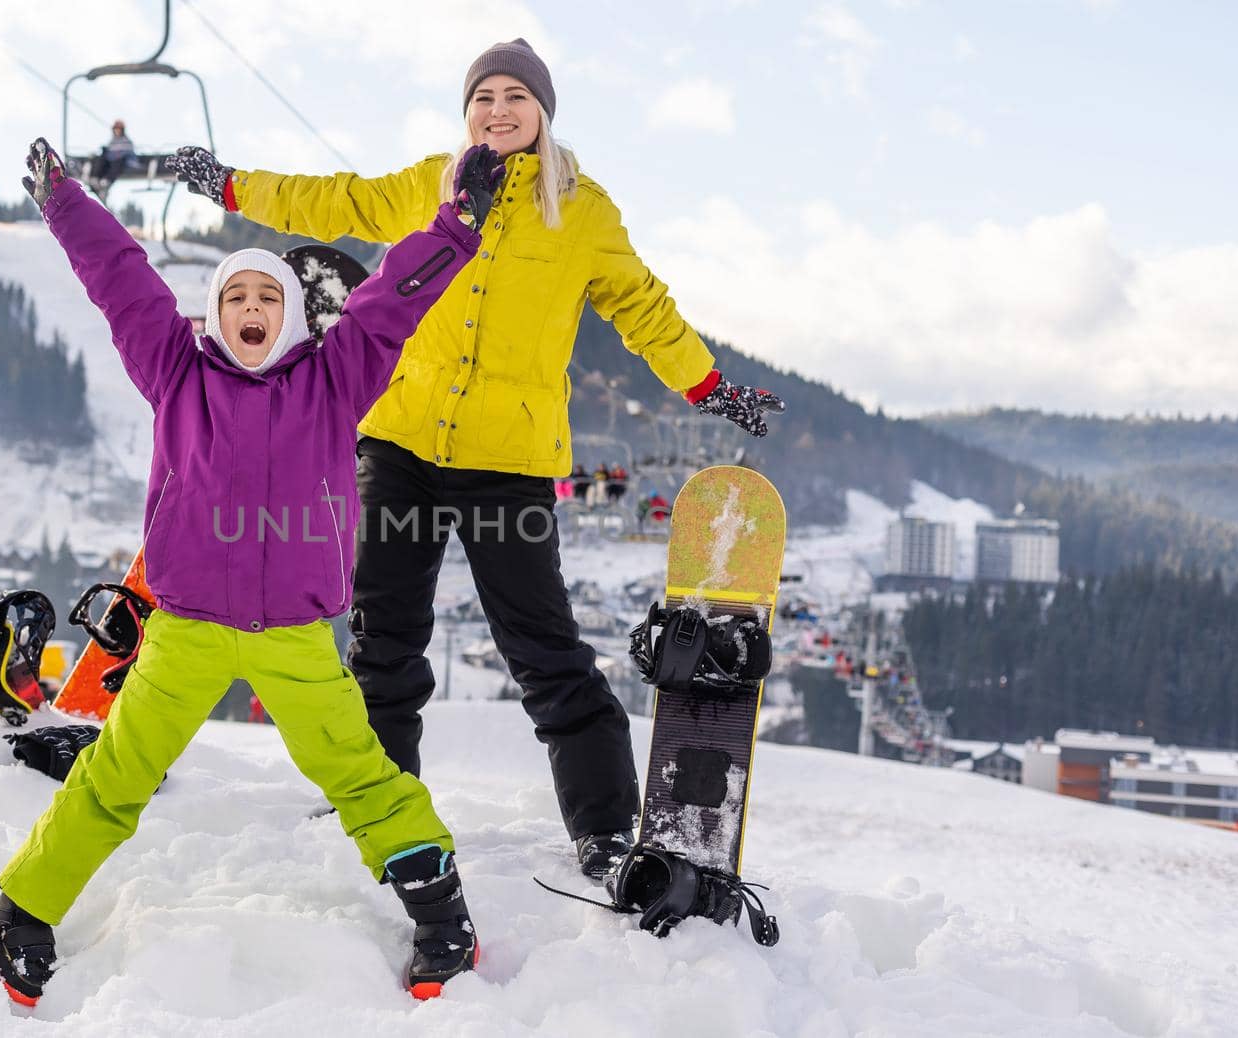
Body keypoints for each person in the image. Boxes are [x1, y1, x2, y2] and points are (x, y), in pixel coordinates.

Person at [167, 39, 784, 879]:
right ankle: (376, 804)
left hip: (509, 462)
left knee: (544, 649)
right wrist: (231, 184)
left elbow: (643, 308)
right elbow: (333, 201)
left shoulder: (584, 213)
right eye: (484, 97)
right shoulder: (431, 184)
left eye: (515, 97)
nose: (499, 110)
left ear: (543, 112)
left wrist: (710, 386)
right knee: (383, 642)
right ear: (467, 113)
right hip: (401, 443)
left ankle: (604, 830)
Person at [0, 137, 505, 1006]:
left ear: (297, 317)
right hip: (184, 631)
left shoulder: (337, 381)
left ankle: (441, 913)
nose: (253, 306)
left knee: (360, 773)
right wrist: (64, 204)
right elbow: (125, 285)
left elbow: (390, 301)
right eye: (236, 296)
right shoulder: (176, 374)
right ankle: (26, 904)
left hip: (294, 640)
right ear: (215, 316)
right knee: (118, 770)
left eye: (270, 294)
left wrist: (456, 225)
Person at [88, 119, 136, 189]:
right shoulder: (112, 141)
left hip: (120, 162)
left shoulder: (127, 141)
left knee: (118, 162)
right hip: (110, 161)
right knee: (102, 158)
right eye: (116, 129)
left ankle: (107, 180)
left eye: (119, 129)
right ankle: (95, 178)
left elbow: (130, 155)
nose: (117, 131)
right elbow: (109, 154)